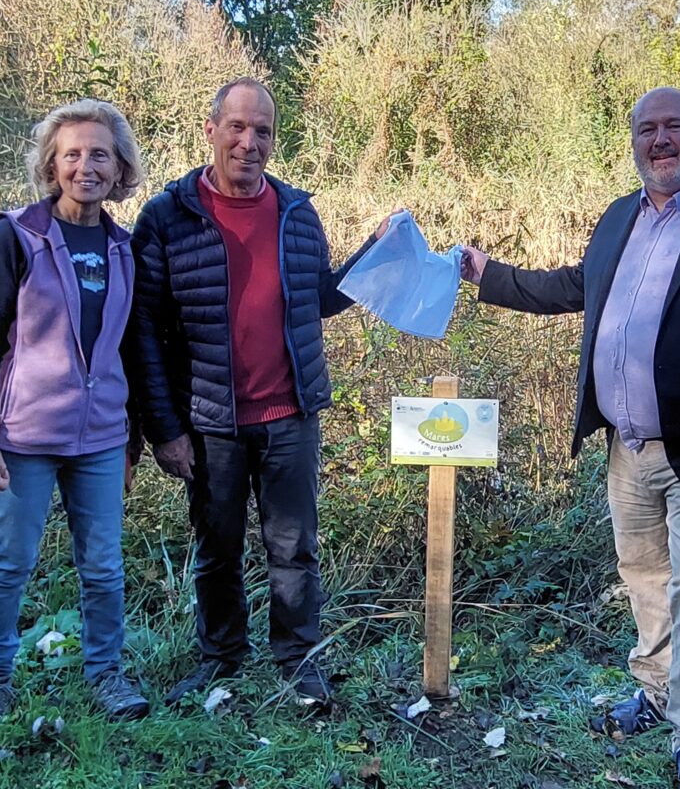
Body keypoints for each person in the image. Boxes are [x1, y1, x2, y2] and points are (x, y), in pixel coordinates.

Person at [460, 87, 680, 789]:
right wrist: (488, 274)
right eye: (646, 129)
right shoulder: (619, 216)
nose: (659, 139)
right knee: (645, 577)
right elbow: (574, 287)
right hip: (629, 446)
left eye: (672, 125)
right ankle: (654, 690)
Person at [130, 77, 392, 708]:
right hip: (210, 420)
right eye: (238, 128)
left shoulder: (298, 212)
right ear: (212, 130)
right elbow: (143, 330)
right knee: (216, 548)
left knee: (294, 548)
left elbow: (319, 297)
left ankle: (299, 660)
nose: (250, 142)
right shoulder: (167, 217)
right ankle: (221, 657)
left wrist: (375, 252)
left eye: (264, 131)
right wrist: (164, 429)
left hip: (288, 415)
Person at [0, 99, 149, 721]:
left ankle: (106, 676)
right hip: (24, 434)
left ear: (119, 168)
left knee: (104, 566)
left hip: (100, 438)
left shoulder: (122, 247)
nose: (85, 166)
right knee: (9, 563)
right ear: (51, 166)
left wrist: (132, 443)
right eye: (71, 155)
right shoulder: (17, 236)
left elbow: (130, 352)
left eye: (99, 155)